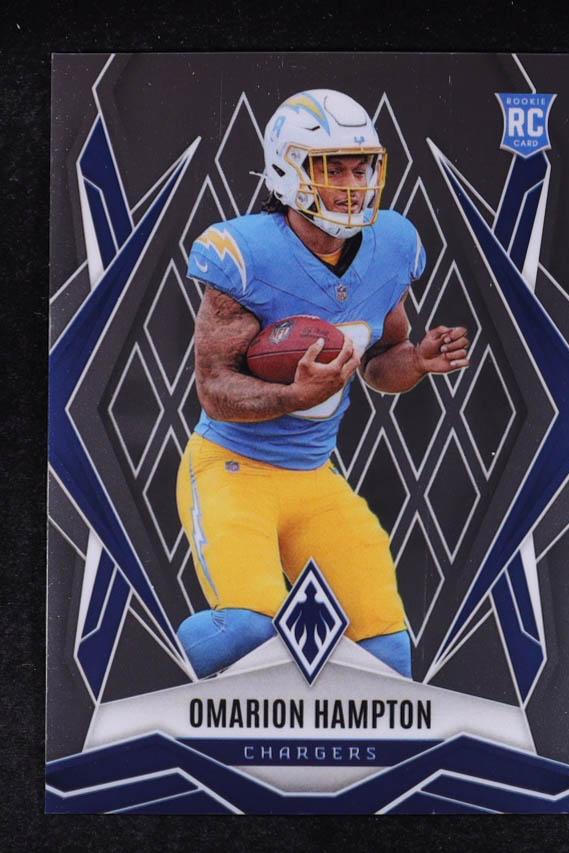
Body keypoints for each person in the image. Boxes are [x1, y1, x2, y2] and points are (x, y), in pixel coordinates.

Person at [176, 89, 469, 680]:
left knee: (386, 653)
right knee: (247, 630)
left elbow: (380, 361)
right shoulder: (247, 253)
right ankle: (158, 693)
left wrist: (416, 360)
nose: (352, 185)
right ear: (288, 169)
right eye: (333, 169)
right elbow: (214, 389)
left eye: (361, 168)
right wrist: (292, 397)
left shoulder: (391, 246)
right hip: (233, 468)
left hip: (314, 475)